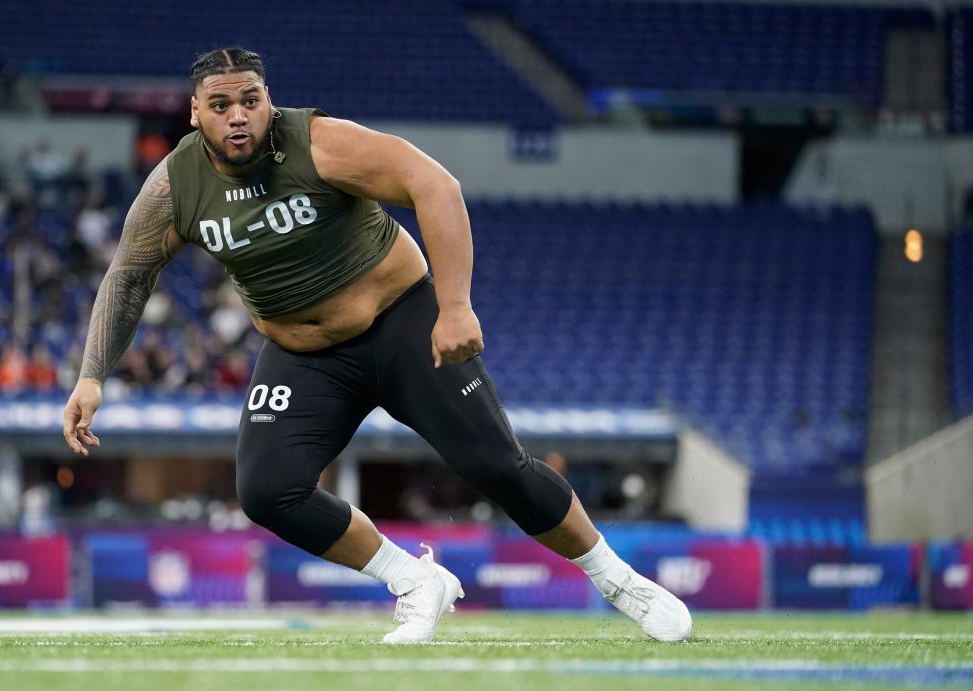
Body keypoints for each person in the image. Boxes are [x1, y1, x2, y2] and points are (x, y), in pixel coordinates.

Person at [63, 47, 691, 644]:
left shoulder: (317, 142)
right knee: (267, 491)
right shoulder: (176, 186)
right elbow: (129, 274)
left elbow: (435, 185)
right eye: (221, 105)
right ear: (195, 111)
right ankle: (416, 581)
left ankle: (619, 581)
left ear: (267, 100)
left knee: (498, 467)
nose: (238, 116)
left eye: (250, 100)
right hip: (306, 356)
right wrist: (94, 375)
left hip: (401, 323)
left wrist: (454, 307)